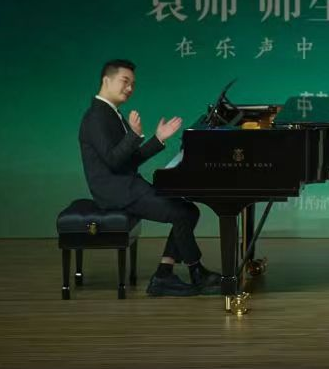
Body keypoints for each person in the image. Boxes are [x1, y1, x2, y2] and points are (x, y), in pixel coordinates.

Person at [78, 59, 221, 296]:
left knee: (187, 211)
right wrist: (134, 135)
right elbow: (113, 161)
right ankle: (195, 272)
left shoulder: (111, 114)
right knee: (184, 213)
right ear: (106, 80)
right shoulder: (96, 116)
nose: (130, 88)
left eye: (133, 84)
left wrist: (158, 138)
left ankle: (165, 274)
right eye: (125, 81)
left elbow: (129, 160)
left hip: (127, 185)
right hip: (116, 192)